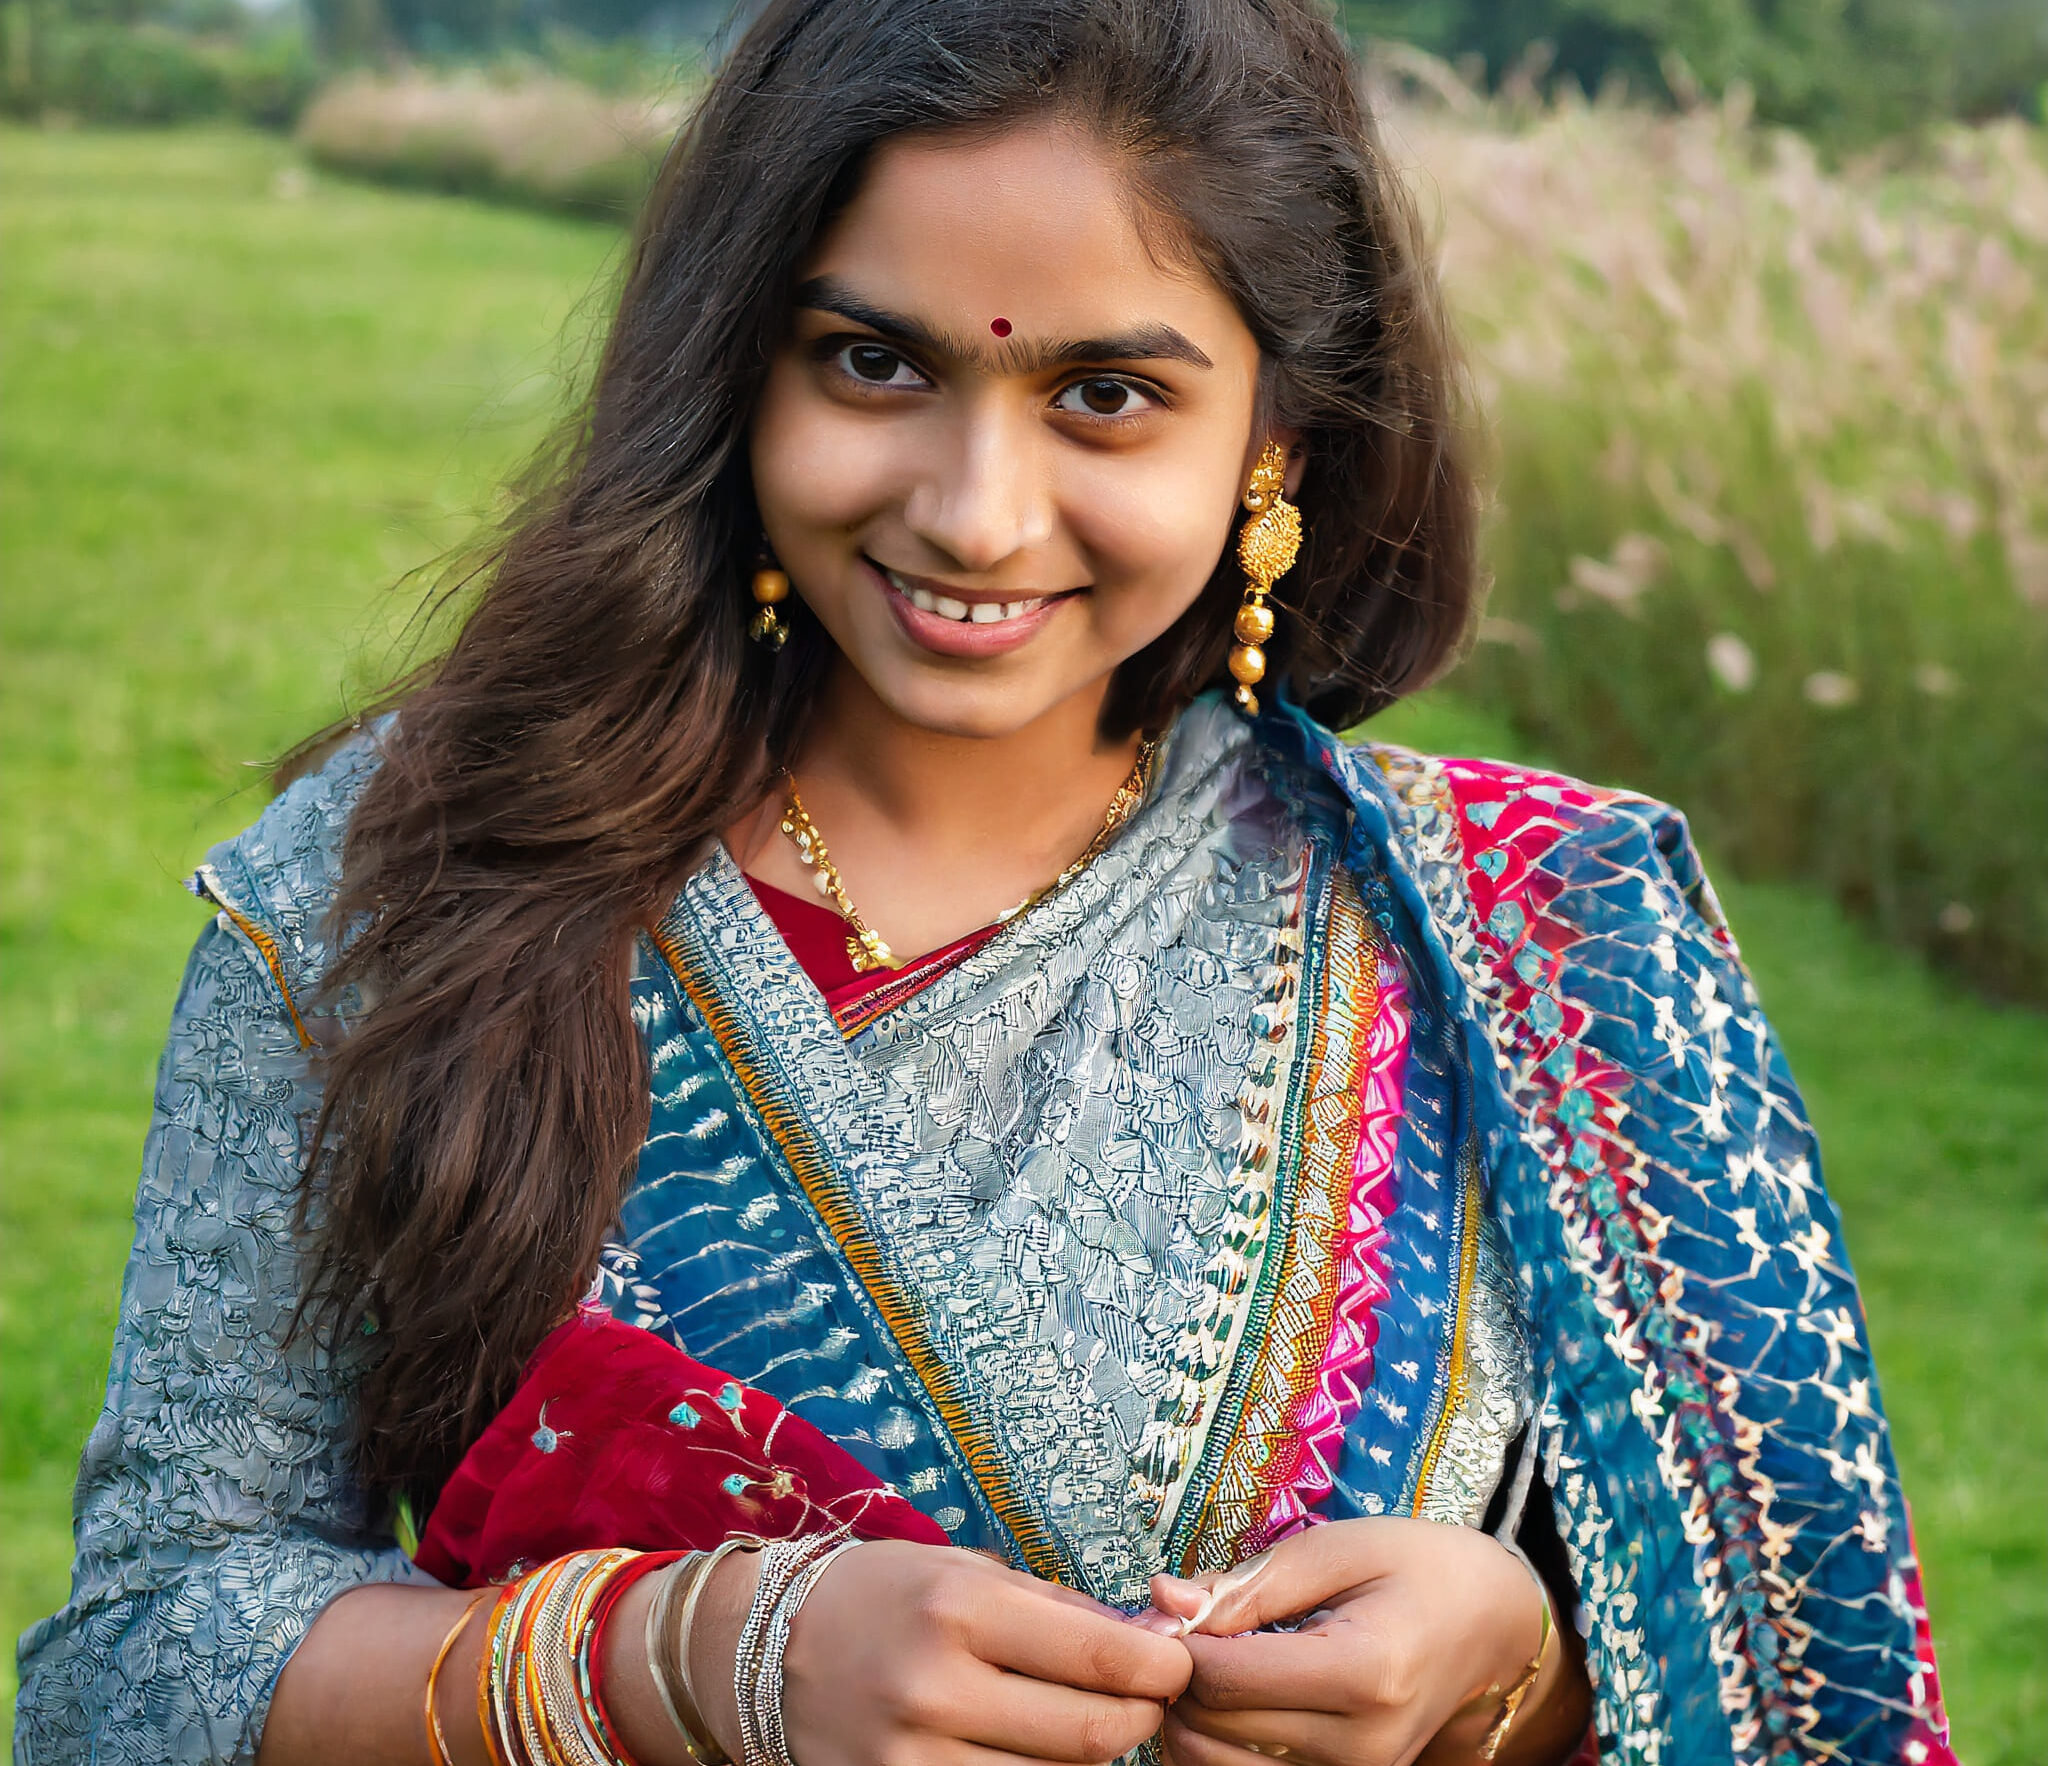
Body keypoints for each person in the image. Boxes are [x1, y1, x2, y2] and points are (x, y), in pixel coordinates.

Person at [15, 2, 1956, 1764]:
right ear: (734, 367)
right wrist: (684, 1654)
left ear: (1272, 438)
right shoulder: (412, 889)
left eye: (1107, 395)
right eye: (875, 364)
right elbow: (132, 1665)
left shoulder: (1532, 942)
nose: (972, 509)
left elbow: (1801, 1679)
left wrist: (1518, 1666)